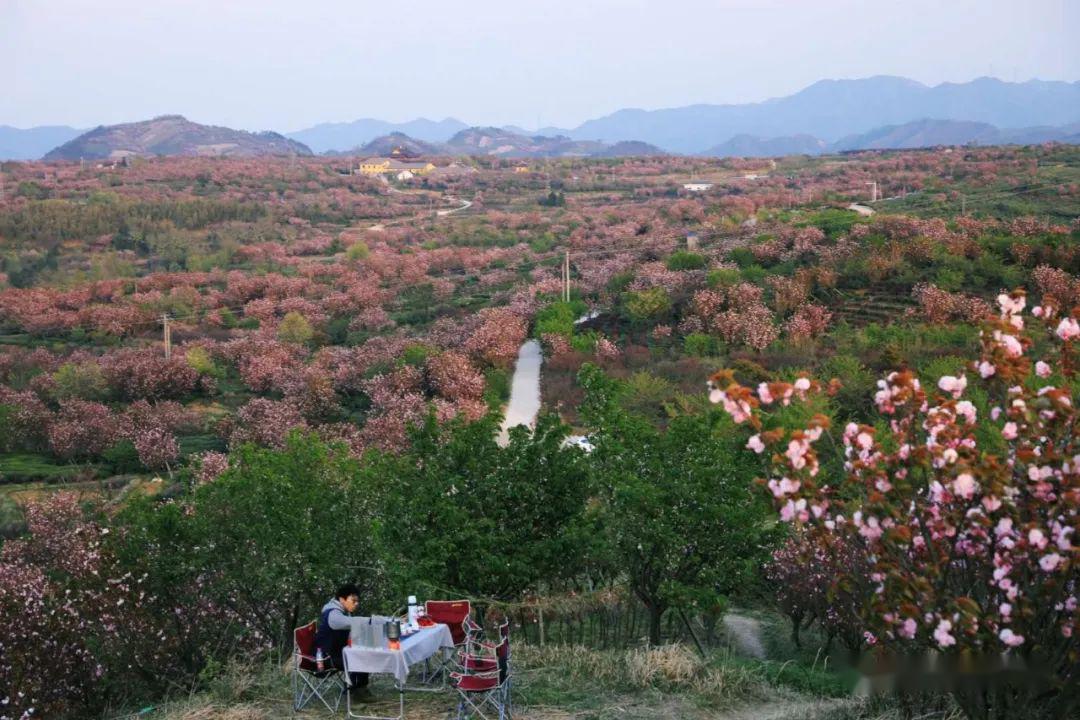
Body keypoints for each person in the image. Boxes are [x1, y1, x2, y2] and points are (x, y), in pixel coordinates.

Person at [316, 583, 373, 703]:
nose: (356, 604)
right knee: (359, 658)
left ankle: (359, 689)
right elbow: (345, 623)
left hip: (336, 652)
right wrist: (370, 621)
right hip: (325, 658)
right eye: (353, 601)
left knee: (363, 652)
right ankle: (354, 693)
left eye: (357, 601)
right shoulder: (333, 613)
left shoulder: (342, 610)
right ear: (342, 599)